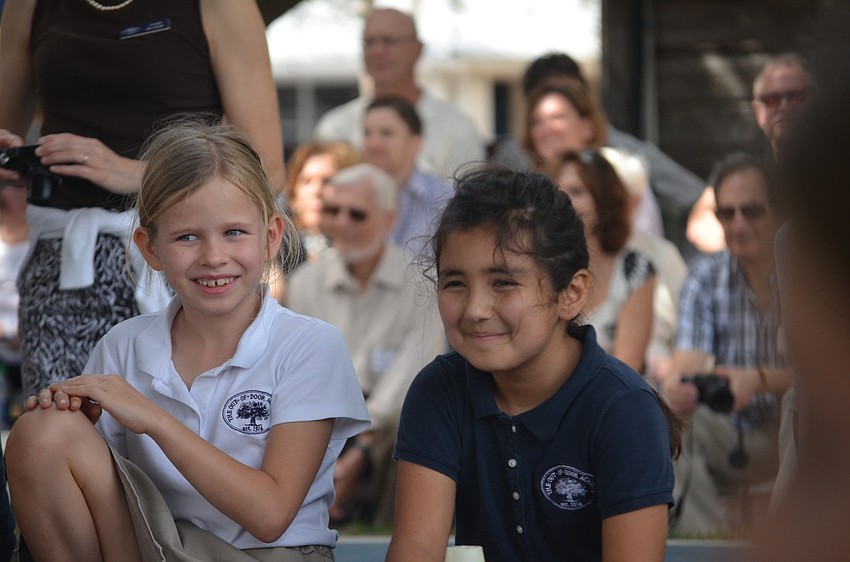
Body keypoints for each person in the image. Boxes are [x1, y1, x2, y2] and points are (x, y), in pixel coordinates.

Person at [4, 120, 370, 562]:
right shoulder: (123, 345)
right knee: (41, 431)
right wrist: (66, 417)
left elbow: (271, 514)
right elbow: (99, 490)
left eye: (234, 232)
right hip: (154, 546)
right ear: (150, 248)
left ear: (271, 236)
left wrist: (153, 419)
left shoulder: (309, 345)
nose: (214, 256)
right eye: (187, 237)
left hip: (271, 553)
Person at [387, 167, 682, 562]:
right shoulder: (439, 390)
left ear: (571, 294)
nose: (475, 310)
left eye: (503, 282)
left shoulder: (624, 408)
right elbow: (415, 549)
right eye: (455, 282)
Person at [0, 0, 285, 397]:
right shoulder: (29, 4)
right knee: (57, 428)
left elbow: (267, 166)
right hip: (61, 260)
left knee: (185, 431)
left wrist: (135, 173)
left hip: (182, 253)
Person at [286, 163, 447, 527]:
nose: (342, 223)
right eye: (333, 211)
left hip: (389, 424)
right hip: (326, 422)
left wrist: (359, 449)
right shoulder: (305, 283)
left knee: (411, 424)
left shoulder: (422, 284)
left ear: (390, 220)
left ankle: (400, 528)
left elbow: (411, 379)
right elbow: (302, 379)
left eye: (357, 214)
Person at [662, 153, 791, 536]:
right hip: (734, 435)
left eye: (751, 211)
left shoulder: (810, 274)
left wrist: (759, 379)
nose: (737, 224)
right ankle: (703, 541)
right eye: (726, 213)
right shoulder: (704, 276)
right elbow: (688, 361)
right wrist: (679, 385)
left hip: (802, 430)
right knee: (673, 419)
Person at [492, 51, 704, 244]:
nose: (547, 129)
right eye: (537, 120)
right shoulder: (512, 158)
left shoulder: (626, 164)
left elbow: (694, 195)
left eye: (559, 115)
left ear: (587, 123)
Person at [313, 7, 484, 179]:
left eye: (388, 41)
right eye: (369, 42)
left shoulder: (457, 129)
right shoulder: (334, 129)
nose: (378, 51)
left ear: (417, 50)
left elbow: (467, 202)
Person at [686, 53, 816, 254]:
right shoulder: (746, 168)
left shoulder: (836, 164)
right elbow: (701, 228)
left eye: (795, 97)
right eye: (772, 100)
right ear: (758, 112)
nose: (783, 107)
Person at [556, 149, 656, 374]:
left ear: (604, 200)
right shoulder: (537, 266)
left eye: (576, 191)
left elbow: (627, 367)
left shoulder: (635, 268)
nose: (564, 201)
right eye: (557, 191)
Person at [601, 147, 688, 383]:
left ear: (636, 202)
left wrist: (675, 367)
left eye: (616, 197)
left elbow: (689, 327)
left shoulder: (663, 254)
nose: (605, 206)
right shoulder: (568, 255)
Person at [362, 96, 453, 257]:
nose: (373, 143)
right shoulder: (350, 198)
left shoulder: (445, 201)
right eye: (367, 133)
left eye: (386, 133)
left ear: (415, 143)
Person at [283, 140, 361, 263]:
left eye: (327, 181)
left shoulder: (367, 255)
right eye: (307, 181)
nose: (316, 191)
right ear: (294, 194)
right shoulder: (273, 254)